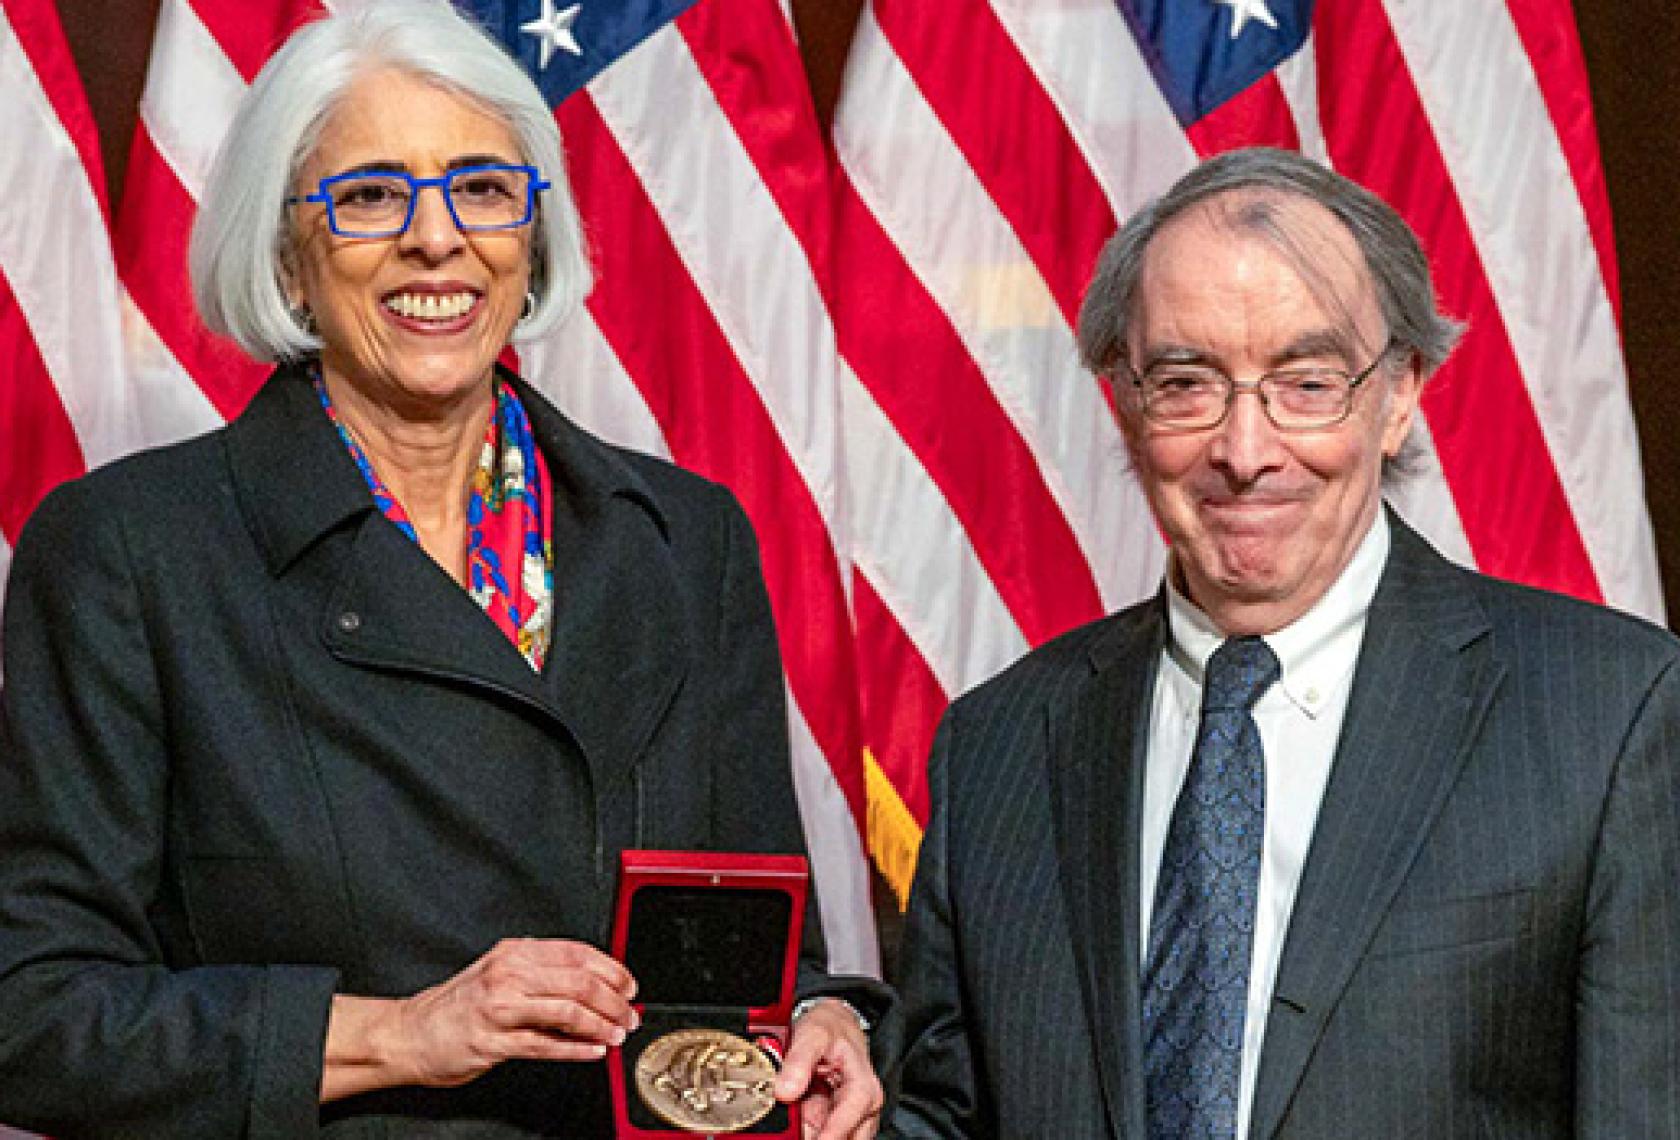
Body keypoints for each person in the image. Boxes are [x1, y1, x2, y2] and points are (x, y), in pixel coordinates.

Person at [0, 3, 884, 1136]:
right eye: (370, 196)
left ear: (532, 239)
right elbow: (32, 1014)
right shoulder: (130, 553)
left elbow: (758, 948)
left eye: (481, 189)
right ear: (289, 259)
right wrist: (403, 1033)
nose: (437, 239)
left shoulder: (683, 538)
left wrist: (826, 1022)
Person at [883, 147, 1680, 1139]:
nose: (1245, 451)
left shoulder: (1605, 716)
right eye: (1186, 381)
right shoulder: (997, 745)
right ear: (1126, 404)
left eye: (1306, 383)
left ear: (1399, 397)